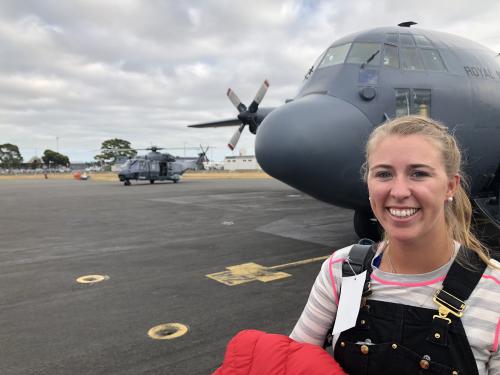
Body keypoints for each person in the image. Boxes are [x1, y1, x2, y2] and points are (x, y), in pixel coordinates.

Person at [290, 115, 500, 374]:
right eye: (384, 174)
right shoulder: (343, 271)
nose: (399, 191)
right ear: (368, 184)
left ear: (450, 187)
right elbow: (292, 362)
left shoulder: (494, 293)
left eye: (419, 173)